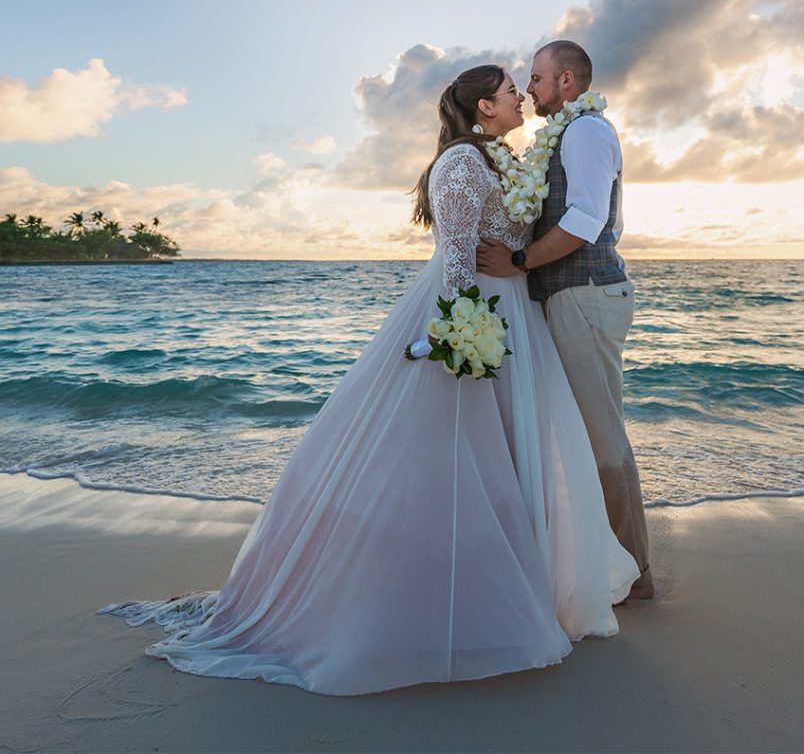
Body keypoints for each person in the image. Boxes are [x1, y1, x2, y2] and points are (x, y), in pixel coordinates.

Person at [100, 64, 639, 697]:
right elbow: (457, 255)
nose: (521, 94)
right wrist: (464, 333)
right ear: (483, 107)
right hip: (475, 319)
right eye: (509, 89)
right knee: (456, 464)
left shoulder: (500, 159)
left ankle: (522, 584)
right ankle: (440, 603)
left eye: (526, 85)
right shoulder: (461, 165)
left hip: (514, 317)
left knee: (513, 457)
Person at [477, 41, 653, 601]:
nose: (530, 89)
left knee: (602, 441)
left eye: (537, 78)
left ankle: (636, 577)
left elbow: (584, 219)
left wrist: (519, 261)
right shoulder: (562, 135)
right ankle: (592, 563)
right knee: (575, 438)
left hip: (586, 296)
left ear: (568, 82)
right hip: (564, 298)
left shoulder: (587, 132)